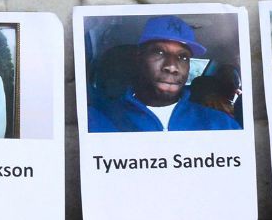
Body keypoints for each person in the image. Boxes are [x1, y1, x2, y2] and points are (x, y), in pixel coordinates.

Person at [86, 15, 242, 133]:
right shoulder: (97, 120)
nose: (172, 67)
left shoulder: (221, 124)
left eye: (183, 57)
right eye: (159, 52)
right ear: (139, 59)